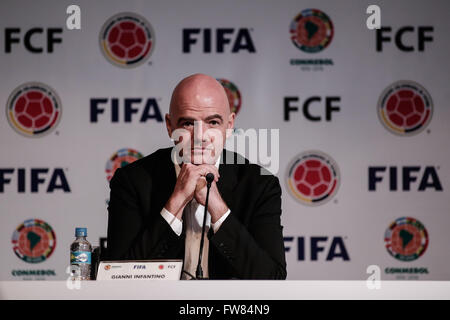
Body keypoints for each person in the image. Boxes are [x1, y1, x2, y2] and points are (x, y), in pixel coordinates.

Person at [107, 74, 286, 279]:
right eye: (188, 123)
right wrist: (176, 202)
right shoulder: (132, 181)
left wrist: (217, 205)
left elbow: (273, 278)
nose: (200, 136)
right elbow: (118, 277)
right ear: (169, 125)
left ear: (229, 126)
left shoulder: (259, 185)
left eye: (213, 122)